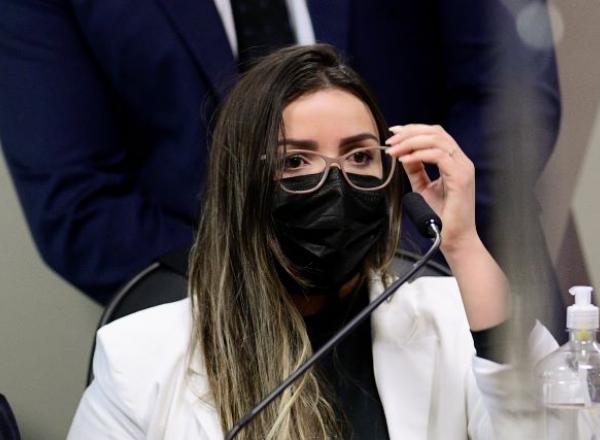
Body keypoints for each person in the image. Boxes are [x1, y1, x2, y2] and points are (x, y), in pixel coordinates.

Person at [67, 45, 558, 440]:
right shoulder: (139, 357)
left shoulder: (454, 318)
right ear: (242, 189)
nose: (335, 183)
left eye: (359, 157)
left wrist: (464, 245)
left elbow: (560, 432)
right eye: (295, 162)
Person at [0, 0, 561, 304]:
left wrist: (376, 258)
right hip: (205, 329)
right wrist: (259, 298)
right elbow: (78, 202)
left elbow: (513, 98)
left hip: (462, 287)